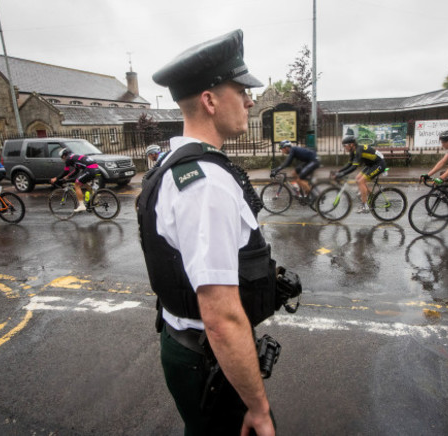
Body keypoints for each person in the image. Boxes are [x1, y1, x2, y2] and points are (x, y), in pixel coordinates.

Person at [137, 29, 276, 435]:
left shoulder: (178, 164)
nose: (250, 100)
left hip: (189, 348)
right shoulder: (206, 184)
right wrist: (259, 407)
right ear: (210, 100)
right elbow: (220, 317)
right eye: (241, 89)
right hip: (207, 357)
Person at [333, 135, 386, 213]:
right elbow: (349, 164)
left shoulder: (358, 150)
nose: (344, 147)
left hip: (379, 164)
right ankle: (371, 196)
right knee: (357, 178)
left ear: (351, 145)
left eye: (345, 145)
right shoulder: (352, 151)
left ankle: (365, 206)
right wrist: (339, 171)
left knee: (361, 181)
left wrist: (342, 174)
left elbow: (354, 167)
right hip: (371, 165)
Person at [50, 148, 99, 212]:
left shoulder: (68, 159)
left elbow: (66, 171)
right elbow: (76, 170)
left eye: (62, 157)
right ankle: (95, 197)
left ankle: (82, 206)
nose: (62, 159)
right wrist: (68, 176)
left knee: (77, 185)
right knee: (83, 183)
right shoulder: (74, 157)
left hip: (89, 169)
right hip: (96, 168)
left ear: (64, 155)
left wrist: (56, 178)